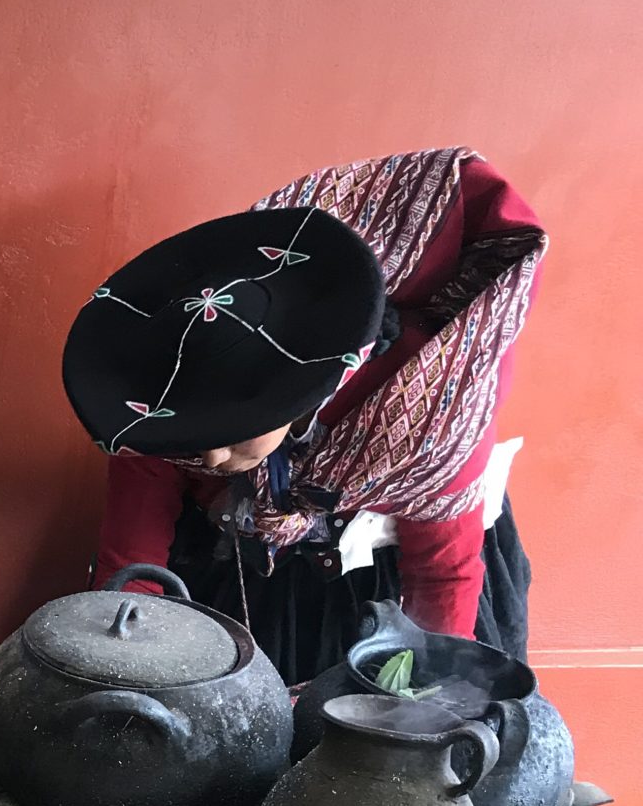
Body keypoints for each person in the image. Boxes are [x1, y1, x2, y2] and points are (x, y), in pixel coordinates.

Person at [60, 148, 546, 683]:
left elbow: (443, 575)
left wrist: (433, 699)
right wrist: (121, 659)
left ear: (297, 396)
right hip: (242, 561)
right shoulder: (168, 392)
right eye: (198, 435)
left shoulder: (427, 412)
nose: (209, 455)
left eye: (230, 435)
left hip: (380, 579)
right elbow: (133, 557)